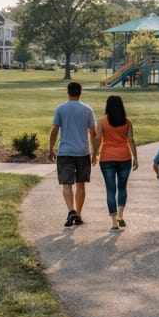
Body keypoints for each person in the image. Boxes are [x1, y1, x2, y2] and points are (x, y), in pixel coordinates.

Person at [48, 81, 98, 228]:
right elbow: (93, 132)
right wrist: (95, 153)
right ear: (80, 92)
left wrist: (51, 148)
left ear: (68, 92)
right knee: (81, 184)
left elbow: (54, 130)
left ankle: (71, 210)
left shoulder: (60, 109)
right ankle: (79, 214)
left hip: (65, 151)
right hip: (83, 151)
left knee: (66, 184)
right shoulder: (87, 110)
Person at [94, 95, 138, 231]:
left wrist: (94, 153)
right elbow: (131, 140)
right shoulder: (127, 121)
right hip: (124, 157)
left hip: (107, 158)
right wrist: (135, 157)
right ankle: (120, 215)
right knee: (122, 188)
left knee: (110, 189)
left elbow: (98, 138)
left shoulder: (102, 121)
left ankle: (114, 222)